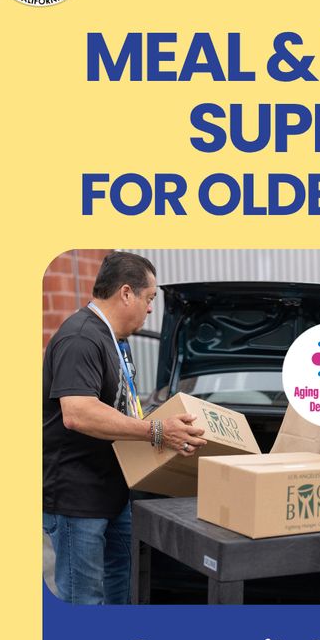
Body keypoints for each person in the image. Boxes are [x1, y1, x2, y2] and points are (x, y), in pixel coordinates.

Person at [42, 252, 206, 604]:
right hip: (77, 499)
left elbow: (125, 406)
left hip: (115, 491)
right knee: (84, 598)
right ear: (127, 293)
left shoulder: (117, 341)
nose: (150, 310)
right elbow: (78, 413)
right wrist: (157, 431)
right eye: (149, 299)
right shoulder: (81, 338)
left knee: (123, 586)